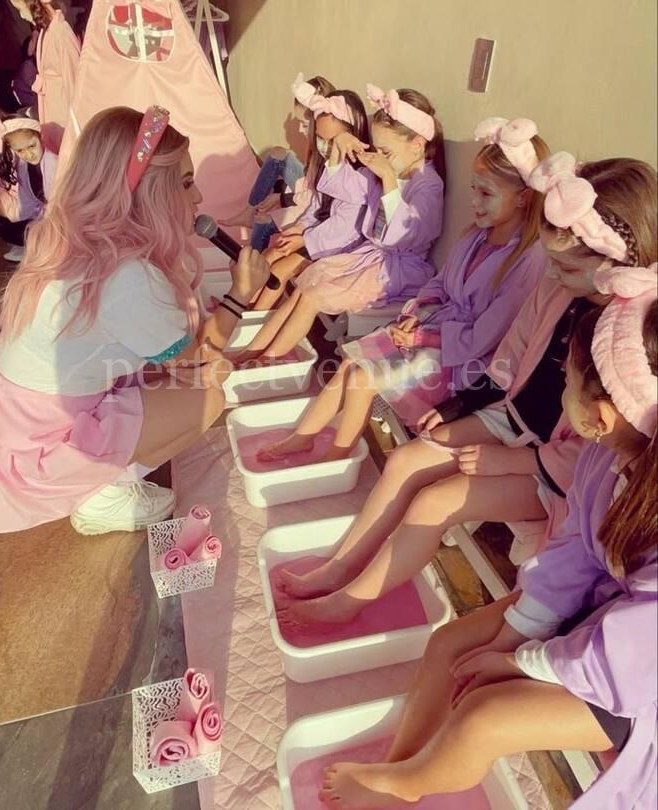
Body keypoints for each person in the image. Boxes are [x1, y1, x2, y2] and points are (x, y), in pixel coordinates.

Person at [318, 267, 657, 810]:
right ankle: (400, 765)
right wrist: (516, 634)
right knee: (448, 646)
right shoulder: (603, 457)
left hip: (635, 678)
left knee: (485, 715)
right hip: (602, 621)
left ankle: (410, 785)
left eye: (566, 381)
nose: (560, 392)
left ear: (599, 416)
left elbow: (639, 646)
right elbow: (573, 553)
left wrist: (525, 661)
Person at [276, 155, 657, 622]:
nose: (553, 275)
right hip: (511, 419)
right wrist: (463, 404)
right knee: (405, 460)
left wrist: (521, 461)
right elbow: (513, 354)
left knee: (434, 501)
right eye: (553, 263)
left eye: (566, 268)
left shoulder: (632, 340)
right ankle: (340, 568)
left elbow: (609, 448)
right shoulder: (559, 287)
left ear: (620, 261)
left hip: (561, 474)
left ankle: (348, 603)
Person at [0, 105, 270, 536]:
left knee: (176, 375)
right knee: (208, 392)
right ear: (144, 193)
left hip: (18, 413)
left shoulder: (69, 233)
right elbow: (197, 361)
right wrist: (241, 295)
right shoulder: (128, 277)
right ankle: (102, 495)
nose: (198, 197)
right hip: (45, 438)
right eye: (185, 183)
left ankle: (105, 469)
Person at [258, 117, 549, 463]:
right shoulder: (475, 236)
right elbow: (440, 283)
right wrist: (416, 315)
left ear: (523, 198)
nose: (475, 201)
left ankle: (337, 456)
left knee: (363, 378)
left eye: (486, 193)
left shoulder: (527, 260)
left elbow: (486, 337)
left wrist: (423, 338)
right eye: (474, 189)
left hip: (462, 360)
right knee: (351, 363)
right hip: (431, 329)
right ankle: (303, 437)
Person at [239, 85, 445, 357]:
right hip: (368, 257)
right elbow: (342, 187)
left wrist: (388, 179)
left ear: (417, 145)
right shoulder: (389, 171)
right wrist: (338, 148)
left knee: (312, 297)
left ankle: (267, 359)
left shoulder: (428, 185)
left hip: (394, 271)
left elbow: (402, 235)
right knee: (303, 289)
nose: (380, 158)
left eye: (386, 152)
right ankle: (249, 351)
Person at [242, 88, 372, 312]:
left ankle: (254, 316)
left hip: (337, 245)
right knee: (269, 255)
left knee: (280, 270)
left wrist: (305, 239)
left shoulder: (359, 178)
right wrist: (301, 228)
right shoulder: (324, 165)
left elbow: (343, 229)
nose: (324, 146)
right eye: (320, 138)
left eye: (332, 141)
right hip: (317, 236)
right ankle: (244, 306)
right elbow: (316, 207)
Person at [220, 73, 336, 252]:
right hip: (309, 193)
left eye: (305, 124)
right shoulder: (317, 149)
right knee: (278, 154)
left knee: (263, 220)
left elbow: (319, 201)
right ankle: (249, 211)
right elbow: (310, 184)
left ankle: (253, 260)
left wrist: (282, 198)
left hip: (317, 208)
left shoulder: (329, 153)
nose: (299, 129)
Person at [0, 0, 80, 151]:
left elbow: (75, 81)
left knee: (66, 150)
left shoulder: (61, 32)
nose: (21, 16)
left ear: (31, 3)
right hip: (52, 106)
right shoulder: (44, 32)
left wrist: (77, 123)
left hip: (64, 109)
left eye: (20, 9)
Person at [0, 113, 57, 262]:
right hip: (18, 203)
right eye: (20, 151)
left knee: (15, 232)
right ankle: (1, 224)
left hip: (32, 209)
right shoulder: (6, 150)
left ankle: (8, 228)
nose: (28, 154)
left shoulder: (48, 161)